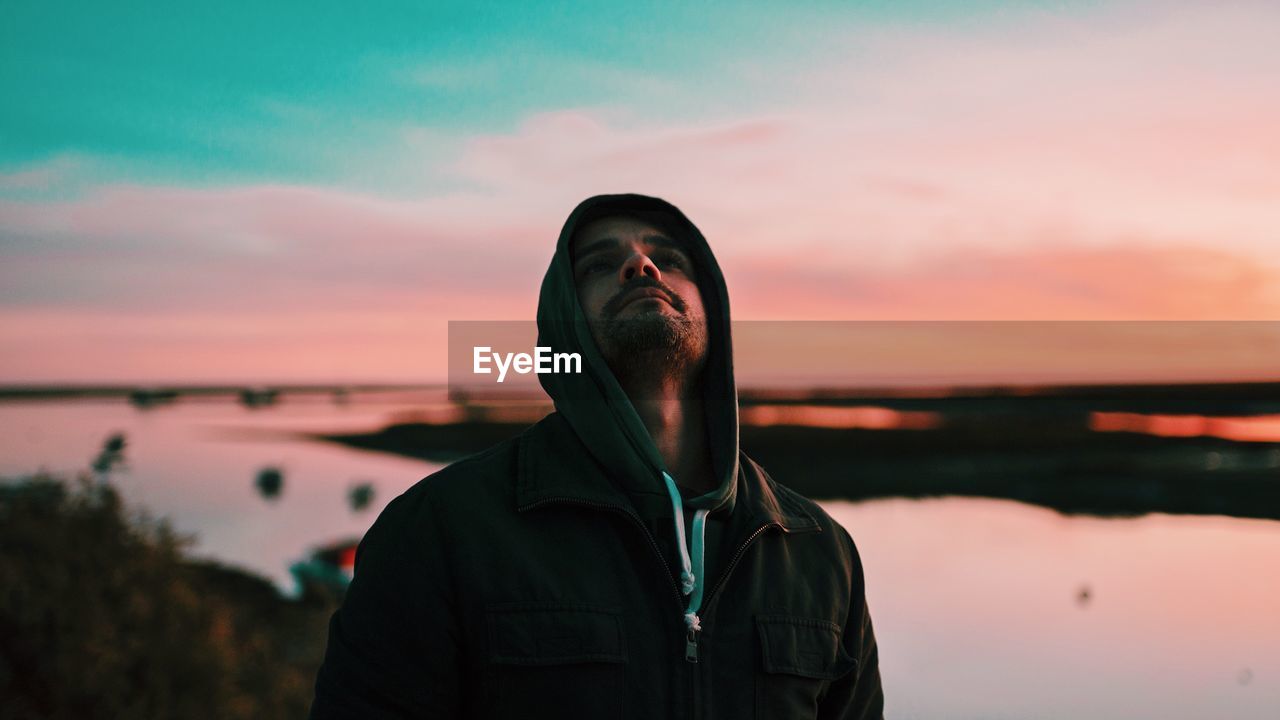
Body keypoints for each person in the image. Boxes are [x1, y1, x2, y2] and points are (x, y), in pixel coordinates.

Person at [309, 194, 884, 719]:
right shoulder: (440, 530)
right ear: (564, 328)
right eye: (598, 266)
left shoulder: (819, 552)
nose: (641, 266)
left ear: (717, 313)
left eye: (669, 259)